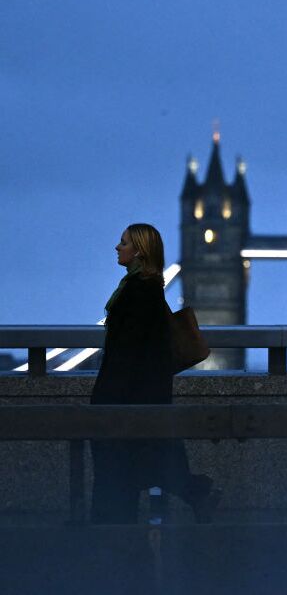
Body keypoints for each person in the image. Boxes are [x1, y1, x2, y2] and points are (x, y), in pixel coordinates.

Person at [91, 223, 220, 524]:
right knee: (144, 463)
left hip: (124, 399)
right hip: (138, 397)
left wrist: (107, 395)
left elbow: (129, 352)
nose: (117, 247)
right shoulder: (146, 288)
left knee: (119, 469)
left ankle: (111, 536)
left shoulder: (138, 291)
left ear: (139, 251)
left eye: (124, 242)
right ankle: (195, 493)